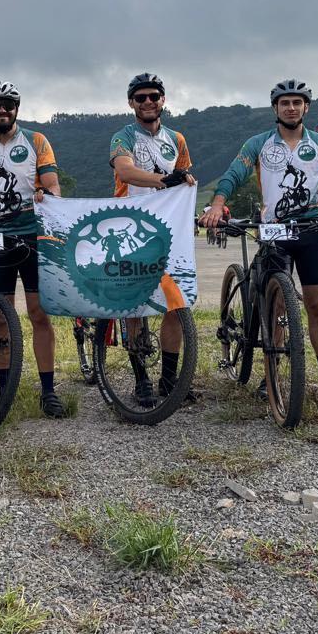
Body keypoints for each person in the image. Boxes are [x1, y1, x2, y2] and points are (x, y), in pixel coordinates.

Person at [201, 79, 318, 403]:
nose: (291, 107)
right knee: (273, 306)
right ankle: (269, 372)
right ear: (276, 108)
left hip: (311, 228)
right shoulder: (259, 144)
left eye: (297, 102)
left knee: (317, 307)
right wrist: (217, 205)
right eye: (285, 102)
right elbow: (233, 174)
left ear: (306, 107)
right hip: (275, 230)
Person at [0, 81, 65, 418]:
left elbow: (52, 186)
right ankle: (4, 393)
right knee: (0, 317)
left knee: (38, 313)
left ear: (16, 109)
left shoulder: (37, 141)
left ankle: (48, 391)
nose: (2, 110)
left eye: (7, 104)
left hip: (34, 237)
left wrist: (45, 195)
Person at [109, 72, 199, 406]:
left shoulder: (177, 138)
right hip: (129, 226)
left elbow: (185, 176)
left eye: (154, 96)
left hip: (168, 227)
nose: (148, 102)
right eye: (141, 97)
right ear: (131, 103)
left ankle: (170, 378)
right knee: (134, 306)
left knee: (174, 305)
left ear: (163, 100)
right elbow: (125, 172)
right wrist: (164, 179)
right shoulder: (123, 136)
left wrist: (187, 181)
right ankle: (141, 379)